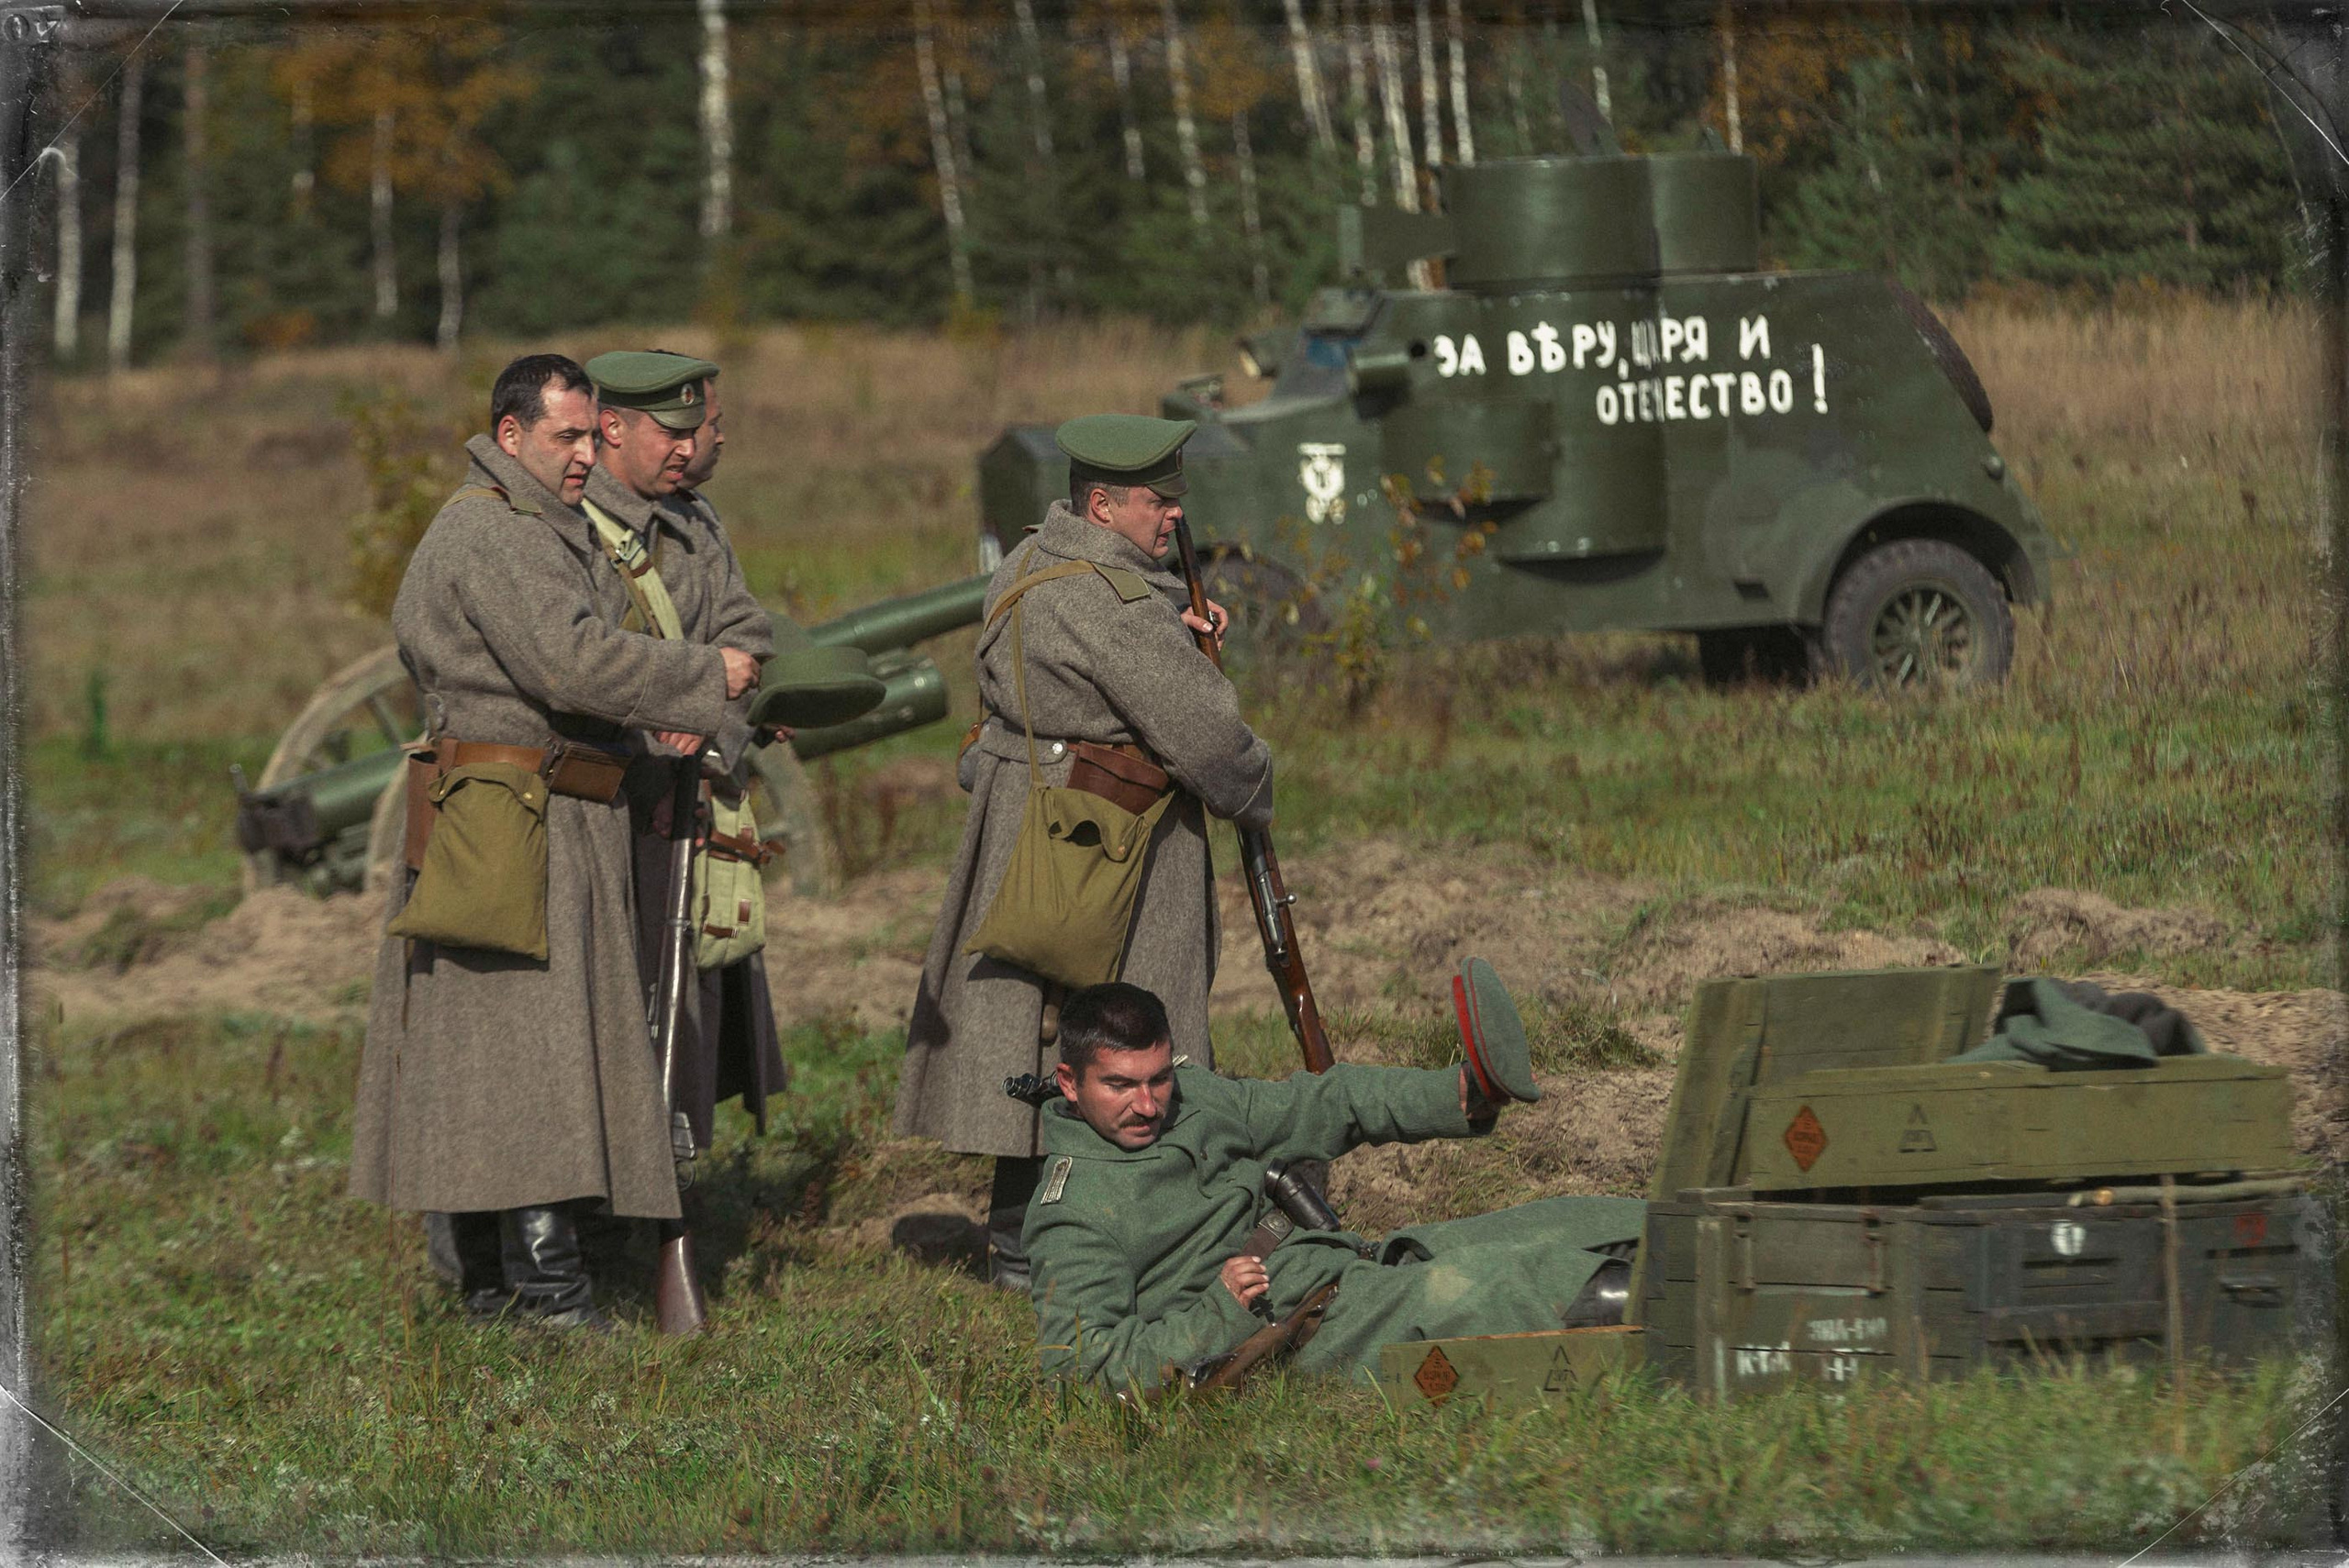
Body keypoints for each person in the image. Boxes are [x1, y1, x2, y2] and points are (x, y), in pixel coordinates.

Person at [350, 353, 759, 1329]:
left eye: (589, 434)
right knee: (524, 1051)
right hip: (507, 816)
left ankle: (503, 1288)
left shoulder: (533, 523)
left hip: (539, 810)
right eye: (566, 436)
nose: (585, 455)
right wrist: (705, 674)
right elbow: (570, 660)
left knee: (513, 1049)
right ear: (510, 435)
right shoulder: (494, 529)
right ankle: (548, 1294)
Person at [898, 413, 1263, 1292]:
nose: (1172, 517)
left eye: (1175, 499)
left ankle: (1024, 1241)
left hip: (1033, 826)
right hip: (1120, 843)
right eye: (1154, 502)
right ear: (1101, 505)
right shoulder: (1116, 604)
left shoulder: (1029, 564)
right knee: (1135, 1038)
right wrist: (1256, 786)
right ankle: (1136, 1244)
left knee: (1040, 1034)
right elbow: (1210, 739)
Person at [1025, 979, 1647, 1394]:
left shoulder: (1196, 1097)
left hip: (1347, 1266)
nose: (1148, 1103)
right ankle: (1704, 1337)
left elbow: (1322, 1104)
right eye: (1120, 1085)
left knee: (1590, 1222)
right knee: (1534, 1288)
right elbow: (1083, 1371)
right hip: (1306, 1335)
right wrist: (1214, 1312)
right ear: (1070, 1082)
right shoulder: (1074, 1214)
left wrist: (1453, 1094)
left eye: (1158, 1078)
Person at [580, 350, 786, 1161]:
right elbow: (576, 661)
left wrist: (707, 729)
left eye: (693, 430)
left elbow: (746, 634)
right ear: (613, 426)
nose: (689, 446)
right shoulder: (569, 527)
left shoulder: (696, 522)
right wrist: (655, 729)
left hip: (687, 799)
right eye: (671, 431)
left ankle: (671, 1188)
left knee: (685, 1004)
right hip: (604, 803)